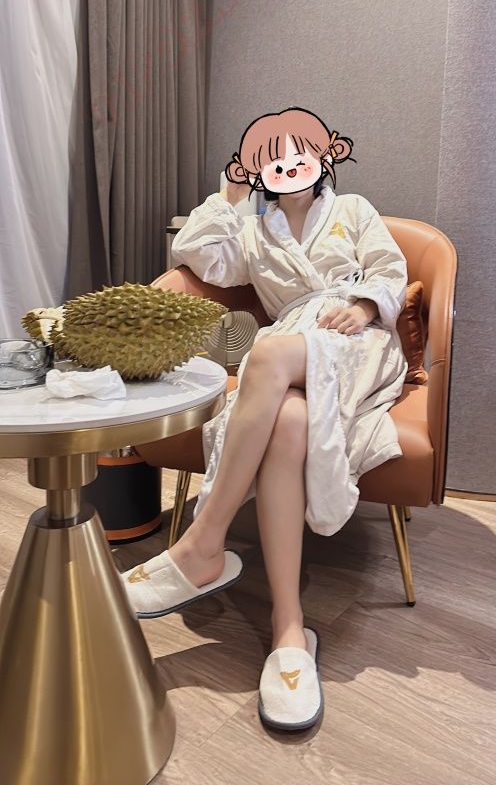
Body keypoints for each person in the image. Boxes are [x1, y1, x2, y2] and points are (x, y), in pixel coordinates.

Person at [122, 107, 408, 731]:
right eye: (270, 159)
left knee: (270, 351)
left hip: (356, 341)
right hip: (294, 346)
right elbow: (200, 256)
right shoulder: (253, 228)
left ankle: (203, 542)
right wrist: (227, 196)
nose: (288, 166)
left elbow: (391, 271)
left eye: (299, 153)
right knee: (290, 423)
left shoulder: (354, 210)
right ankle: (289, 630)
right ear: (255, 170)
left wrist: (364, 307)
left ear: (325, 156)